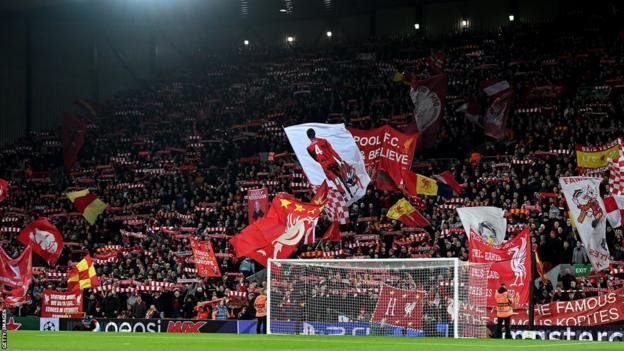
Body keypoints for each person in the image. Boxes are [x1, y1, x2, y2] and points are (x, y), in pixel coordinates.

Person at [305, 128, 360, 196]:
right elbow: (332, 151)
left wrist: (322, 162)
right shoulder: (323, 141)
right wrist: (340, 159)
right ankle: (351, 192)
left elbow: (315, 158)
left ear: (308, 137)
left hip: (325, 166)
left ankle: (343, 193)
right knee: (342, 176)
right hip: (332, 162)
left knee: (335, 179)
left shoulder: (309, 148)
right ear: (314, 133)